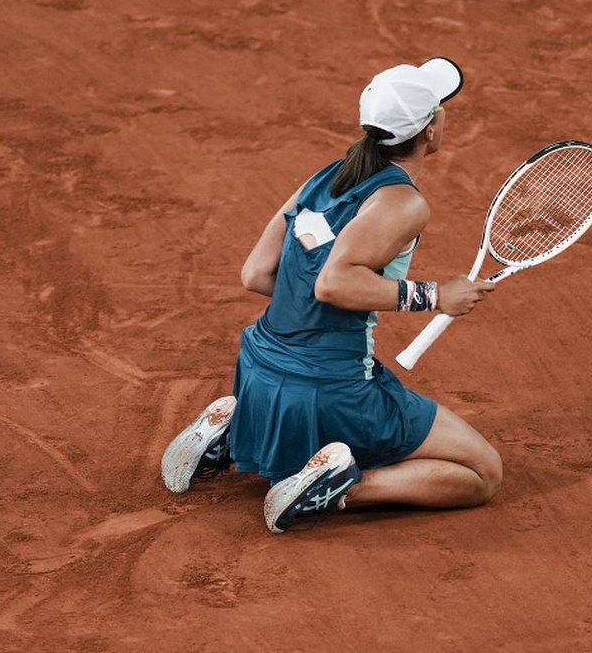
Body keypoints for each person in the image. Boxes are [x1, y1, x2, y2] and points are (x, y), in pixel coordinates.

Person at [160, 57, 501, 533]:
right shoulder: (404, 202)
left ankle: (237, 431)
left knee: (309, 391)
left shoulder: (325, 177)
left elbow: (256, 274)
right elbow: (334, 283)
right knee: (482, 473)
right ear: (429, 129)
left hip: (257, 368)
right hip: (331, 391)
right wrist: (436, 296)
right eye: (440, 108)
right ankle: (339, 487)